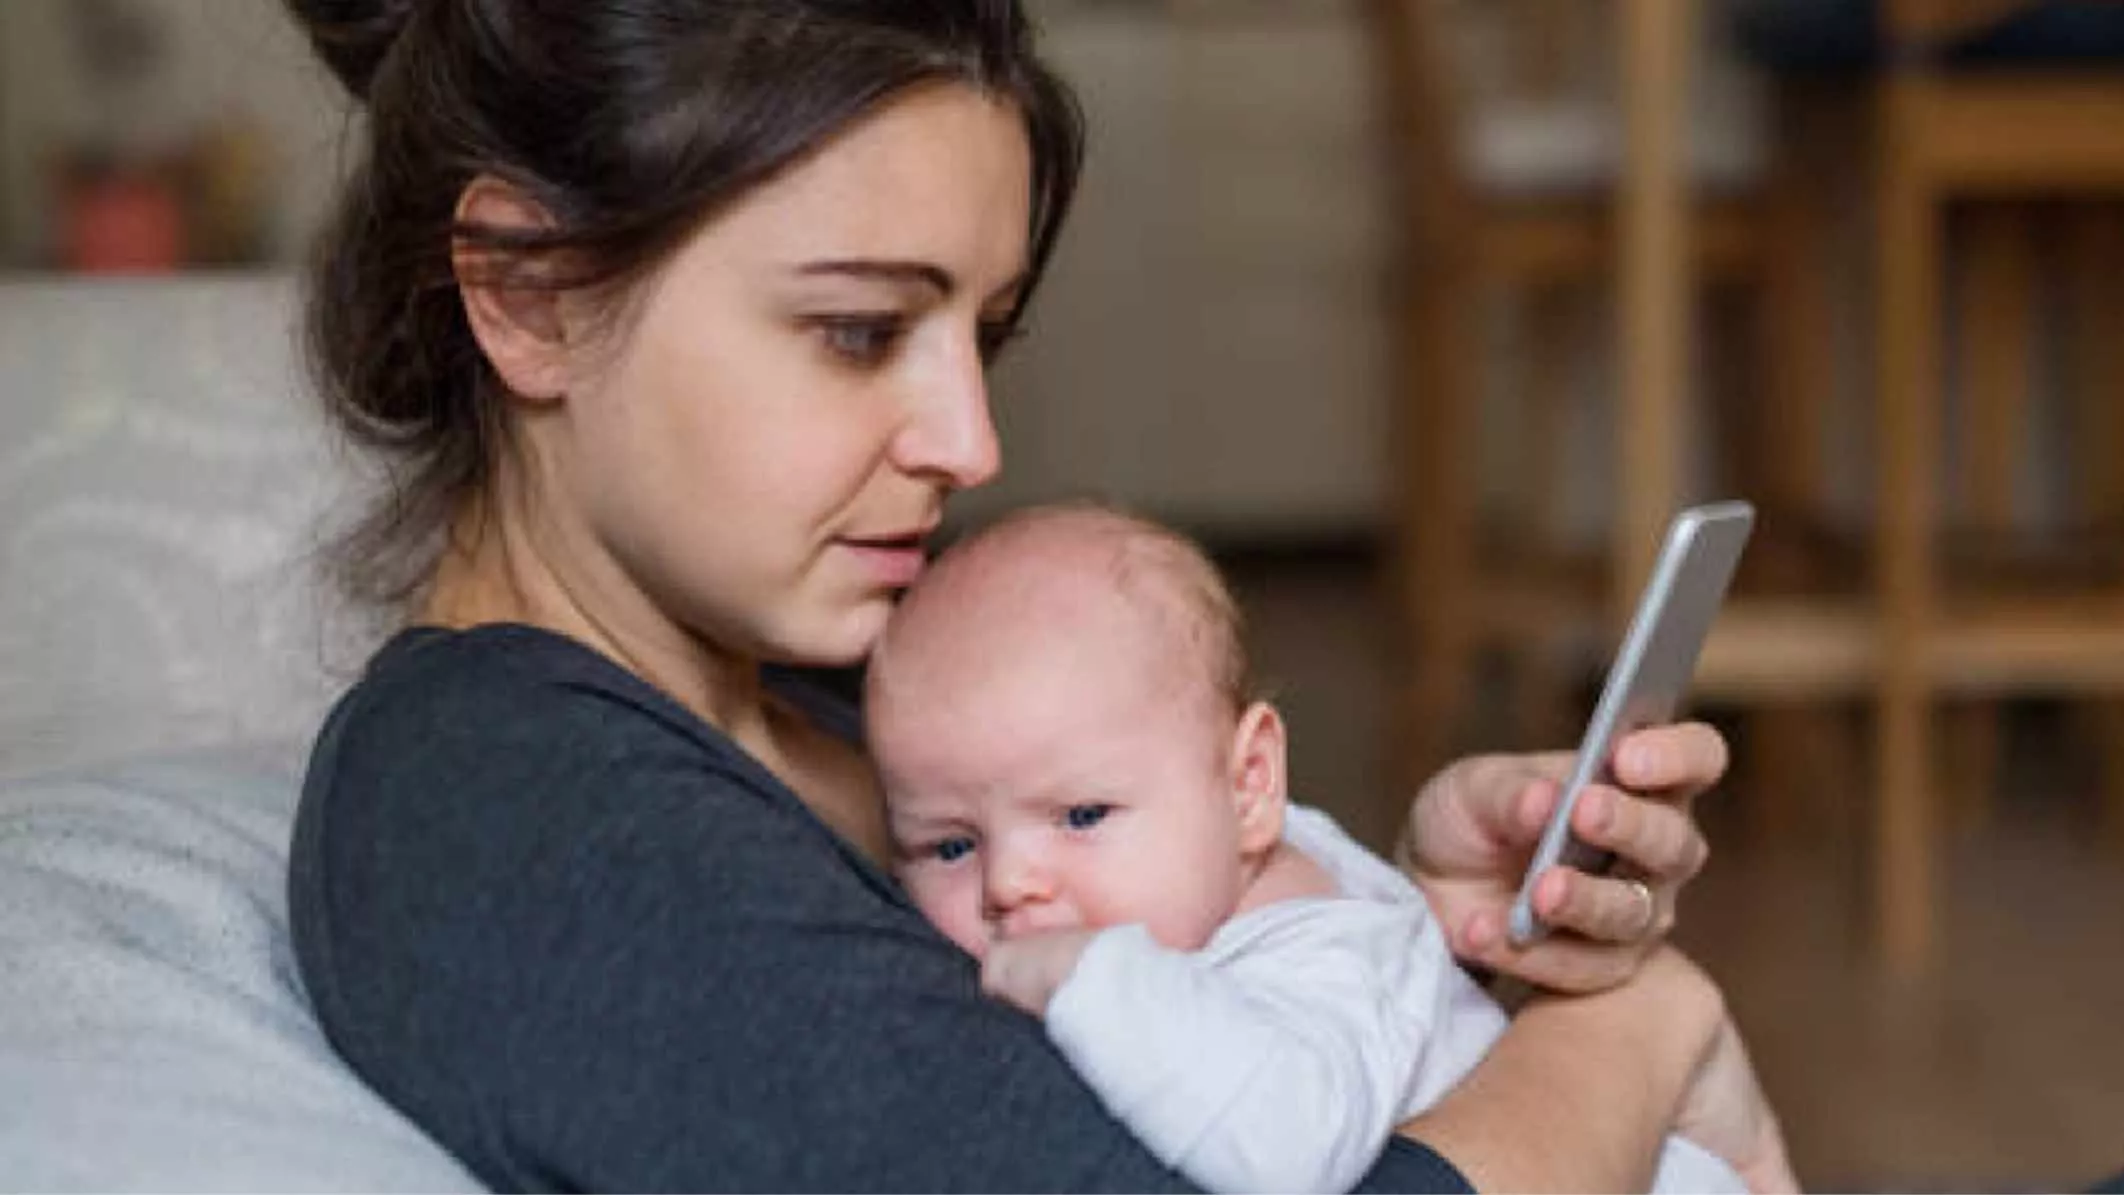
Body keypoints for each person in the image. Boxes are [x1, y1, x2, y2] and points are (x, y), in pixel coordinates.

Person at [282, 1, 1755, 1189]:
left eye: (981, 332)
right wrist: (1628, 1027)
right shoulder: (517, 813)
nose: (972, 442)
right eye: (860, 331)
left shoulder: (825, 693)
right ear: (529, 290)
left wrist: (1380, 928)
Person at [866, 503, 1791, 1195]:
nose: (1009, 884)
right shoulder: (1232, 855)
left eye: (1081, 817)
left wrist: (1090, 977)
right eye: (949, 844)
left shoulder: (1314, 956)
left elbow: (1285, 1150)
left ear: (1250, 784)